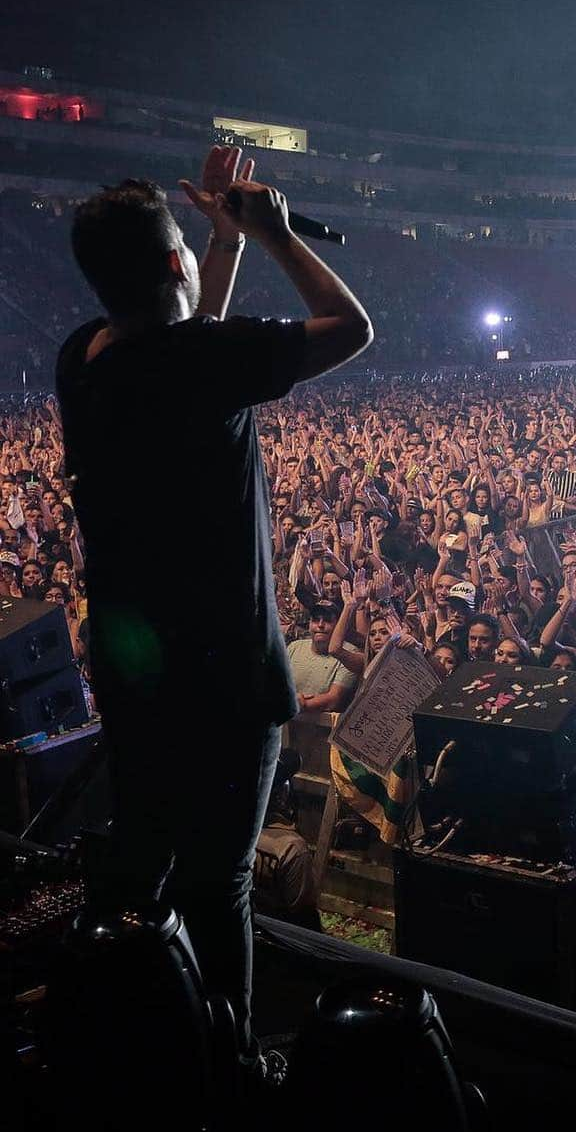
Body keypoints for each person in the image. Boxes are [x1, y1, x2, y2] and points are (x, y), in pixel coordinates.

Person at [55, 147, 372, 1071]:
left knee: (143, 855)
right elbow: (351, 325)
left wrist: (217, 244)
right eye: (185, 254)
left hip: (136, 672)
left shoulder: (83, 356)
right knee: (217, 879)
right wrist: (268, 230)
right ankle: (224, 1069)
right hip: (226, 684)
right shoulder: (197, 361)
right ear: (170, 267)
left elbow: (186, 341)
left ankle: (128, 1029)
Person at [253, 748, 321, 931]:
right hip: (279, 942)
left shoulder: (231, 833)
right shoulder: (291, 848)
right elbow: (305, 920)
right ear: (280, 795)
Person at [288, 600, 357, 712]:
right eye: (315, 620)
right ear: (309, 624)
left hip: (327, 728)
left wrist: (299, 704)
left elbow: (333, 700)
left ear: (338, 625)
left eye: (327, 620)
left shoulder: (348, 653)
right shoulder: (294, 647)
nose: (320, 625)